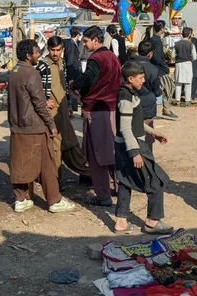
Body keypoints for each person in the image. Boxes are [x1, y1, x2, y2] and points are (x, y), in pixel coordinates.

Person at [8, 39, 75, 213]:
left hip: (17, 125)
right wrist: (51, 124)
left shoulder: (14, 71)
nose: (39, 55)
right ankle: (54, 200)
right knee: (47, 163)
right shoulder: (32, 73)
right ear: (28, 55)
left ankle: (21, 198)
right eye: (36, 52)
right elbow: (39, 103)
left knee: (20, 162)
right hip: (34, 126)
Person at [114, 61, 173, 235]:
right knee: (156, 180)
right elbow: (125, 128)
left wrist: (153, 132)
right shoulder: (126, 98)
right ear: (130, 78)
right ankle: (152, 222)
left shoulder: (128, 94)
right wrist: (135, 153)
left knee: (125, 181)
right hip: (132, 145)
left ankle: (121, 222)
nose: (143, 81)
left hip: (122, 144)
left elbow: (135, 122)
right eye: (140, 78)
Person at [70, 26, 122, 206]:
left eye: (85, 41)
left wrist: (73, 84)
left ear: (95, 40)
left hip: (97, 110)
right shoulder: (113, 58)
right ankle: (119, 188)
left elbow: (87, 79)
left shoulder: (96, 58)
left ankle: (103, 196)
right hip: (112, 109)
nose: (84, 45)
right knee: (113, 151)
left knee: (97, 154)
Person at [37, 36, 88, 185]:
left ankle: (85, 172)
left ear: (62, 49)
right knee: (55, 145)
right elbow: (33, 87)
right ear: (48, 48)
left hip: (63, 109)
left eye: (58, 50)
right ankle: (54, 181)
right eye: (52, 50)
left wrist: (68, 105)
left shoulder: (61, 62)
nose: (55, 53)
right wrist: (44, 100)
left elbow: (62, 86)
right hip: (51, 112)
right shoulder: (42, 65)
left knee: (70, 142)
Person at [134, 41, 163, 151]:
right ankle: (147, 161)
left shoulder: (127, 66)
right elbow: (157, 91)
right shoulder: (153, 69)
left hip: (131, 104)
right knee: (147, 137)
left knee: (132, 135)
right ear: (150, 54)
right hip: (147, 107)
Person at [149, 21, 178, 119]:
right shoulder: (156, 40)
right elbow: (157, 56)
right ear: (161, 29)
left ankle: (164, 109)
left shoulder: (153, 39)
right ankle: (166, 109)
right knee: (170, 87)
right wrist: (164, 66)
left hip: (156, 68)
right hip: (160, 69)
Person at [174, 28, 197, 107]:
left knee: (178, 83)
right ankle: (187, 101)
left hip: (178, 64)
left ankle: (177, 100)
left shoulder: (177, 43)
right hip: (187, 64)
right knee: (188, 83)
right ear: (189, 34)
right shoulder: (191, 44)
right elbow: (194, 57)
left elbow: (173, 55)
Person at [63, 27, 82, 112]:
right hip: (72, 70)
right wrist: (70, 73)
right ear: (77, 35)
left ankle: (73, 106)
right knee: (72, 88)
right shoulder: (71, 44)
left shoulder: (72, 43)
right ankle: (71, 106)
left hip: (75, 69)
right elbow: (70, 59)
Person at [190, 29, 197, 102]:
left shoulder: (194, 41)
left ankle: (193, 95)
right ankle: (188, 96)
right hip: (186, 62)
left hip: (194, 62)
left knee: (194, 78)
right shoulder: (182, 41)